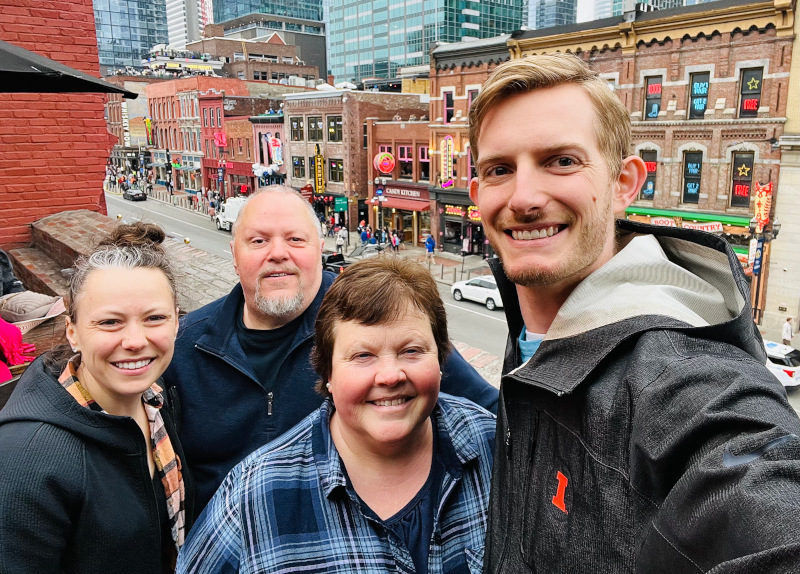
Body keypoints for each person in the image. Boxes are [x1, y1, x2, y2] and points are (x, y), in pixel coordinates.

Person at [468, 53, 800, 572]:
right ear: (477, 194)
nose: (525, 197)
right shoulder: (532, 334)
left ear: (625, 183)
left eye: (561, 161)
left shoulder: (681, 380)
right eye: (499, 170)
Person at [162, 185, 498, 514]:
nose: (278, 253)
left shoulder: (374, 317)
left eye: (295, 239)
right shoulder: (184, 346)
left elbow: (491, 412)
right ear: (234, 254)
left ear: (319, 249)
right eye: (259, 241)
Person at [177, 257, 495, 574]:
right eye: (362, 356)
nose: (390, 376)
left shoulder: (495, 447)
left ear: (440, 360)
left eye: (411, 351)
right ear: (327, 372)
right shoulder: (254, 496)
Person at [0, 222, 192, 574]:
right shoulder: (25, 460)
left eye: (154, 318)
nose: (135, 340)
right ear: (73, 333)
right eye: (109, 322)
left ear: (177, 323)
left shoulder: (156, 400)